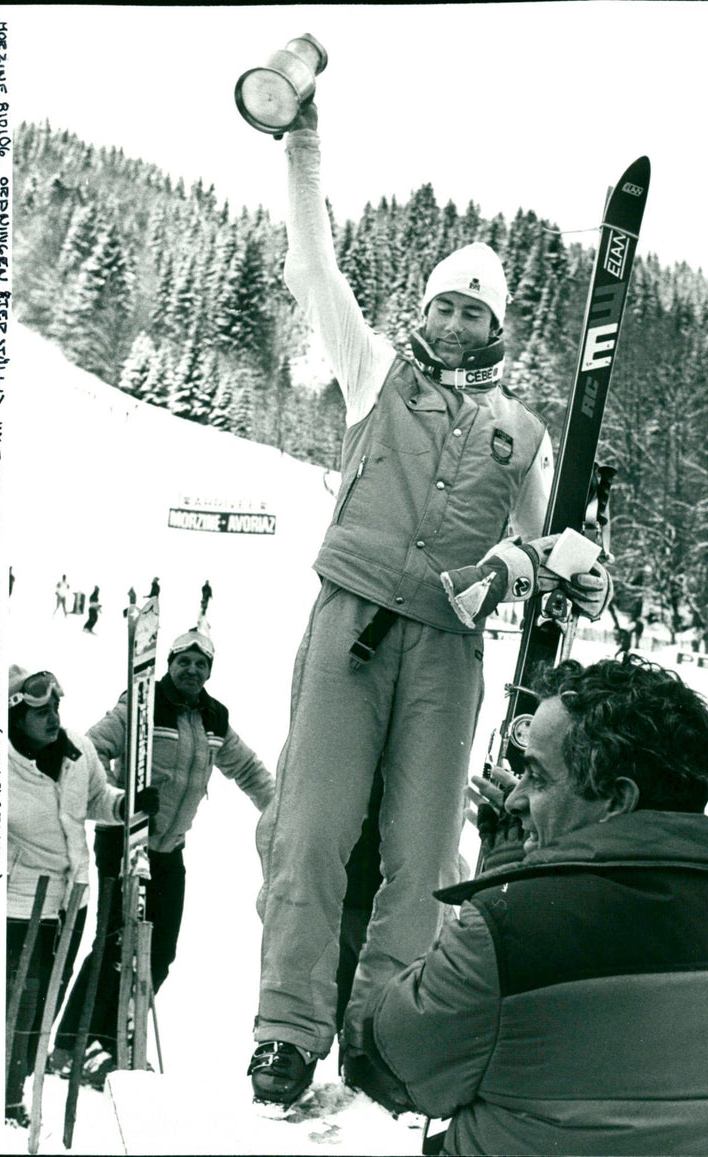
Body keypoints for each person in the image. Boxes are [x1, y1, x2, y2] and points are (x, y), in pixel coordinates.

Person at [248, 98, 612, 1107]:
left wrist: (573, 568)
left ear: (498, 326)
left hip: (449, 654)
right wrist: (304, 146)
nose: (455, 320)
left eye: (474, 309)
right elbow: (312, 263)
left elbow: (562, 551)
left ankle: (379, 1030)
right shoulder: (371, 374)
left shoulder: (521, 432)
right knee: (312, 829)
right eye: (443, 303)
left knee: (420, 851)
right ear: (421, 312)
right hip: (350, 630)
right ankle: (285, 1025)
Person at [346, 655, 708, 1157]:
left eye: (538, 777)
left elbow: (392, 1064)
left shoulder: (503, 930)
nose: (516, 799)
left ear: (616, 800)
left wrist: (504, 885)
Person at [51, 626, 274, 1085]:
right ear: (170, 665)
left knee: (161, 951)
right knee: (115, 943)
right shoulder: (139, 705)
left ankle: (115, 1038)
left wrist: (283, 813)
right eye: (183, 662)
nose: (191, 670)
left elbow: (248, 769)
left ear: (209, 671)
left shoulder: (214, 719)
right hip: (126, 842)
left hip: (169, 851)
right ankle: (75, 1044)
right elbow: (90, 751)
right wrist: (120, 797)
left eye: (200, 664)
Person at [5, 666, 146, 1126]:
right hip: (19, 901)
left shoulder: (76, 750)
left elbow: (95, 798)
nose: (52, 718)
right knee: (19, 1001)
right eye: (41, 711)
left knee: (49, 997)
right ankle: (5, 1097)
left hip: (70, 900)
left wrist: (124, 805)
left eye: (55, 709)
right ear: (16, 714)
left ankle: (18, 1082)